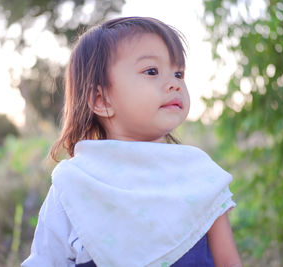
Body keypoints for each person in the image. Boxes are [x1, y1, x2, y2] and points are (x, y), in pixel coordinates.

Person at [22, 17, 242, 267]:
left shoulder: (199, 173)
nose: (175, 84)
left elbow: (228, 262)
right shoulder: (76, 183)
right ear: (101, 100)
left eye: (179, 73)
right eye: (151, 71)